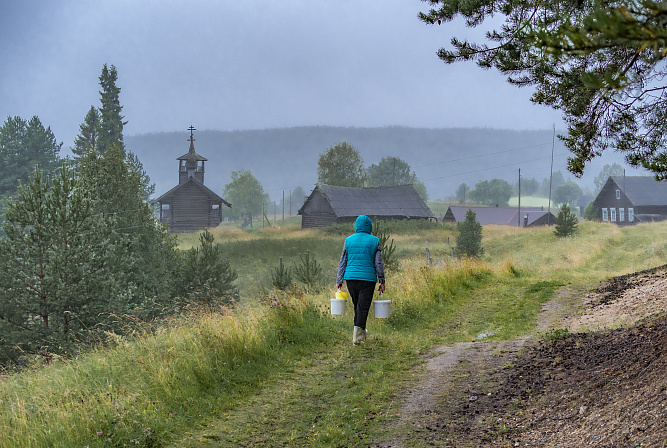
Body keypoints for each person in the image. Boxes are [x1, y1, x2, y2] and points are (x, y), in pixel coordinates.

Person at [336, 215, 386, 345]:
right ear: (369, 226)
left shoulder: (348, 240)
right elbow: (378, 263)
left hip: (351, 279)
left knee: (358, 306)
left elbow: (343, 261)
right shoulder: (374, 241)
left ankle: (362, 334)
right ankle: (357, 339)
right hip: (367, 280)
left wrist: (339, 280)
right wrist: (382, 280)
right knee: (362, 308)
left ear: (356, 226)